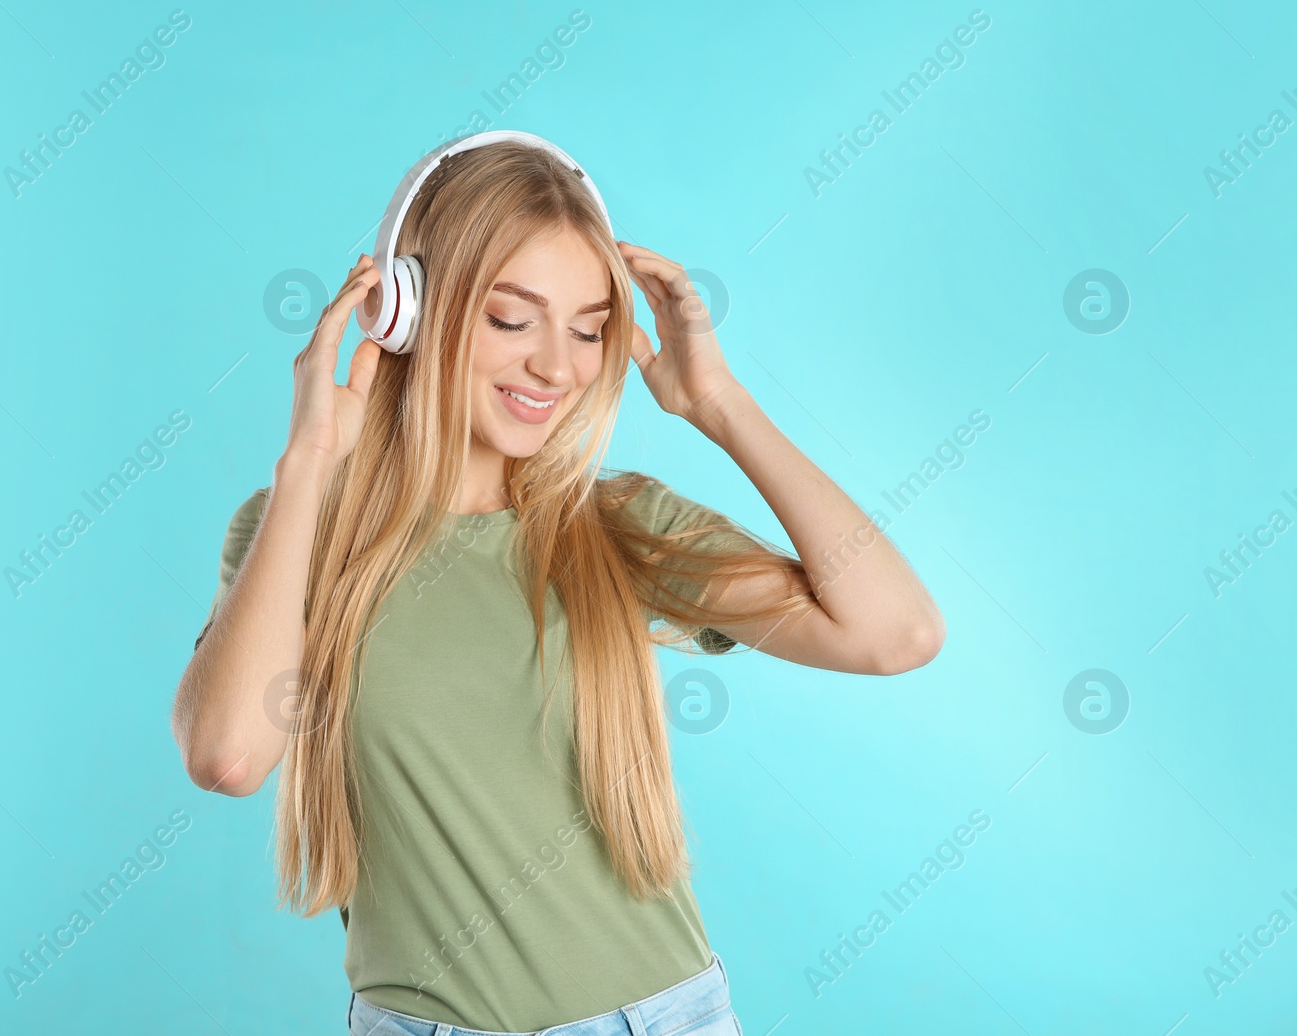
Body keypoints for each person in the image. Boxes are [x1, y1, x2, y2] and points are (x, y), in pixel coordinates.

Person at [170, 138, 945, 1035]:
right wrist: (308, 463)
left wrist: (720, 405)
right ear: (406, 313)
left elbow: (898, 634)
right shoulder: (296, 534)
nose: (556, 365)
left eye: (586, 329)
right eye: (511, 319)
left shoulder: (620, 526)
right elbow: (226, 756)